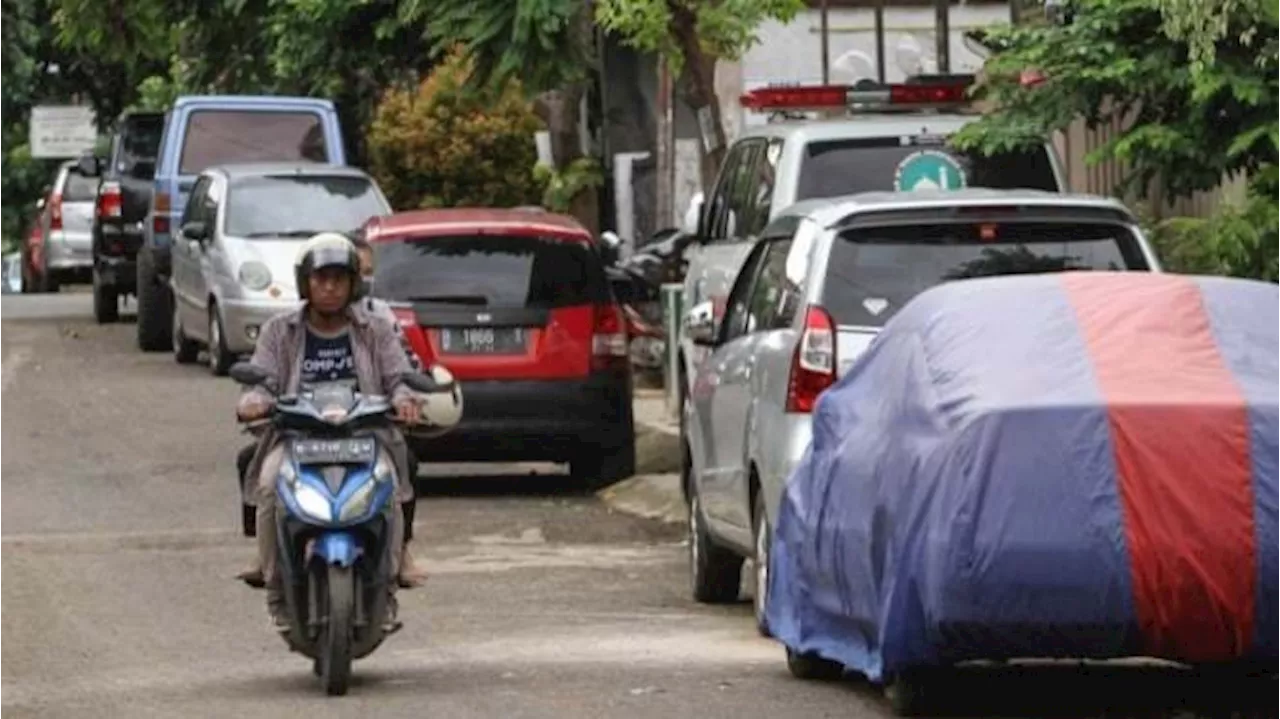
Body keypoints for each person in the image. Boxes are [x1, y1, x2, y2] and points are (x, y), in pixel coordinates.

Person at [235, 233, 423, 632]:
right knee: (268, 483)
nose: (330, 287)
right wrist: (253, 400)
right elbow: (260, 380)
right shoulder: (278, 330)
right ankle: (277, 592)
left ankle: (386, 590)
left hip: (366, 437)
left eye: (339, 278)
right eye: (320, 278)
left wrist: (406, 400)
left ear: (353, 283)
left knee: (391, 485)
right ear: (305, 282)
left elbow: (398, 377)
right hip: (297, 439)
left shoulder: (375, 329)